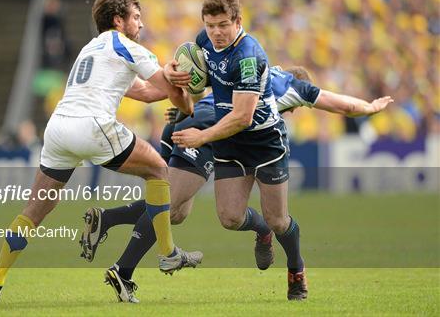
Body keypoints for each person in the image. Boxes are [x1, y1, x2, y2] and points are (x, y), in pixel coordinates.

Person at [81, 64, 393, 302]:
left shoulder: (249, 68)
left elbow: (207, 90)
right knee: (172, 206)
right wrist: (369, 107)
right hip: (202, 137)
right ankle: (122, 270)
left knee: (176, 213)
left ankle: (108, 220)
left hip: (189, 126)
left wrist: (185, 106)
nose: (293, 111)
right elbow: (341, 105)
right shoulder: (287, 87)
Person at [0, 0, 202, 305]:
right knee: (159, 170)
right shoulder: (126, 45)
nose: (141, 24)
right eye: (136, 17)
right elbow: (170, 92)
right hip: (91, 126)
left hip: (58, 130)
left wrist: (173, 85)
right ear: (118, 20)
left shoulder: (92, 49)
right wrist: (187, 93)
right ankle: (168, 253)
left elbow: (148, 92)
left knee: (34, 211)